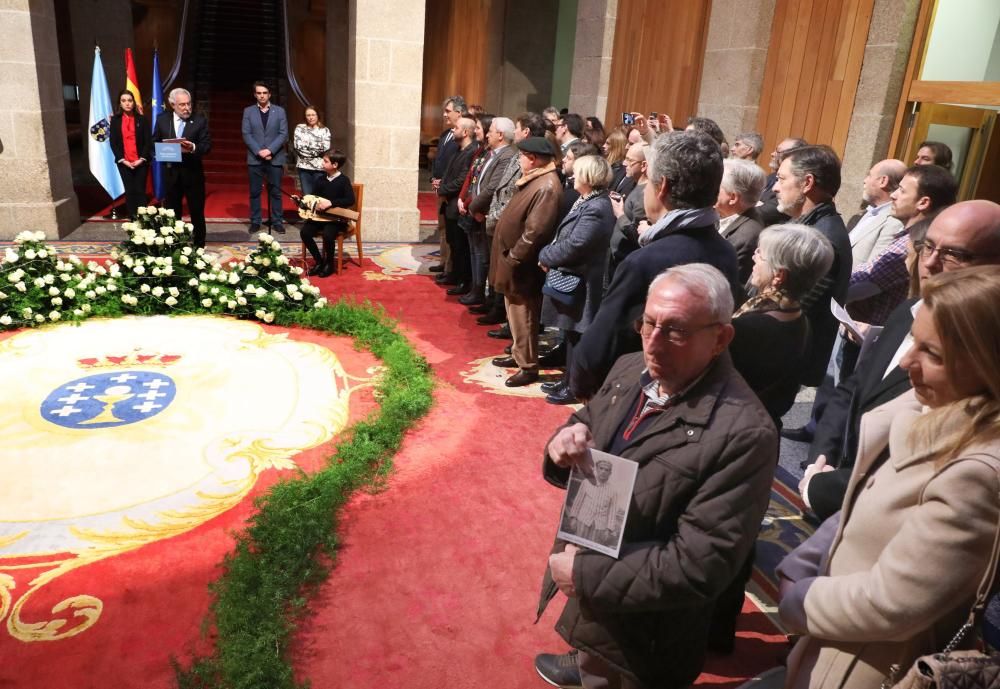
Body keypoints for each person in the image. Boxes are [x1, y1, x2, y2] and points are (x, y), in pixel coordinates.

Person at [534, 264, 777, 689]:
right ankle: (589, 659)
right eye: (648, 323)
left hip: (646, 636)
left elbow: (701, 565)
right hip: (601, 593)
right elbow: (588, 420)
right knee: (596, 664)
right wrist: (564, 440)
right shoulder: (630, 369)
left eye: (676, 330)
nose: (653, 342)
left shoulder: (744, 434)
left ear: (720, 338)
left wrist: (586, 575)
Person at [778, 264, 1000, 689]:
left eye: (932, 353)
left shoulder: (977, 473)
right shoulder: (926, 412)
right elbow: (866, 506)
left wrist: (798, 599)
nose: (905, 361)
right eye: (915, 339)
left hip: (869, 667)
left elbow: (892, 605)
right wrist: (807, 557)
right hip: (832, 641)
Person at [800, 200, 1000, 521]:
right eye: (927, 246)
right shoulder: (907, 311)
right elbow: (854, 388)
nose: (930, 263)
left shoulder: (983, 352)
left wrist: (823, 488)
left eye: (955, 254)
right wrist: (821, 458)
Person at [569, 131, 740, 401]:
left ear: (662, 188)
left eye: (647, 181)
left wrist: (582, 387)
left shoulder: (645, 262)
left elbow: (596, 351)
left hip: (642, 395)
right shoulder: (726, 251)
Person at [538, 154, 615, 405]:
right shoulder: (587, 200)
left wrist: (546, 255)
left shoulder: (597, 207)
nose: (572, 176)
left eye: (578, 172)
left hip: (584, 281)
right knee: (571, 333)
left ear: (589, 177)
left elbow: (576, 244)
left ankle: (575, 387)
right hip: (574, 276)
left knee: (579, 335)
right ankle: (568, 379)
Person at [489, 136, 562, 387]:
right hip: (514, 262)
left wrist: (514, 257)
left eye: (521, 155)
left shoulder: (547, 186)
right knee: (515, 313)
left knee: (525, 315)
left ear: (532, 159)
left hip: (522, 265)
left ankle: (528, 366)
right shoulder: (536, 180)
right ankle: (519, 355)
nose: (518, 159)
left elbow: (535, 232)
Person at [153, 87, 212, 248]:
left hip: (192, 174)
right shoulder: (162, 119)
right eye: (182, 105)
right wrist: (159, 151)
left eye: (189, 104)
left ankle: (199, 245)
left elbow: (206, 146)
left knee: (196, 212)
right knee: (172, 213)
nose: (187, 108)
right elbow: (154, 142)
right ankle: (174, 245)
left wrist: (192, 146)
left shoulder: (199, 120)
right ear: (173, 104)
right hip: (171, 174)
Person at [298, 149, 355, 278]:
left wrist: (331, 203)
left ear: (335, 165)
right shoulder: (321, 179)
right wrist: (301, 202)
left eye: (325, 161)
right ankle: (319, 261)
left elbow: (350, 200)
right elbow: (313, 197)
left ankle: (329, 264)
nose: (322, 163)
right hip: (320, 217)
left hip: (336, 219)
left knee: (328, 235)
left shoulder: (344, 180)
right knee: (305, 232)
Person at [242, 80, 288, 234]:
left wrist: (270, 150)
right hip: (255, 159)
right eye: (259, 93)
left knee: (275, 192)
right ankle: (255, 221)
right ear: (255, 95)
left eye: (264, 93)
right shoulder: (248, 111)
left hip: (274, 158)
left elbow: (283, 134)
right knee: (255, 191)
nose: (262, 96)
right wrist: (259, 151)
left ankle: (277, 221)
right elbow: (246, 134)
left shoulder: (279, 111)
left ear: (269, 94)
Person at [717, 158, 767, 285]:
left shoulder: (746, 236)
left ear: (733, 198)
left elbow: (722, 281)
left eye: (716, 186)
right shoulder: (721, 215)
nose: (709, 189)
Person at [109, 89, 152, 219]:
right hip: (124, 163)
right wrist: (122, 159)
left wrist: (142, 159)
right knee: (130, 192)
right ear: (120, 103)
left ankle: (143, 220)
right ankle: (133, 220)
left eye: (130, 100)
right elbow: (113, 143)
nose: (127, 103)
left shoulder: (142, 119)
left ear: (133, 102)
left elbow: (147, 141)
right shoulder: (115, 120)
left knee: (140, 191)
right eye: (124, 101)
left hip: (141, 162)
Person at [561, 459, 619, 546]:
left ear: (610, 473)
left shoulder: (613, 491)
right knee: (575, 545)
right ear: (596, 469)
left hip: (599, 526)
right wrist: (573, 518)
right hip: (583, 521)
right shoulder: (586, 482)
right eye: (601, 468)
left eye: (606, 470)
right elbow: (578, 502)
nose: (603, 471)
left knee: (590, 550)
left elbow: (612, 512)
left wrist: (608, 530)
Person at [292, 105, 331, 196]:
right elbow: (298, 146)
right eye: (308, 115)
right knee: (307, 196)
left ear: (318, 115)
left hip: (319, 167)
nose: (311, 117)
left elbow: (325, 147)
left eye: (313, 115)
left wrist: (306, 146)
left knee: (319, 195)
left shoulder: (325, 130)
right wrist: (316, 146)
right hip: (303, 167)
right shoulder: (299, 128)